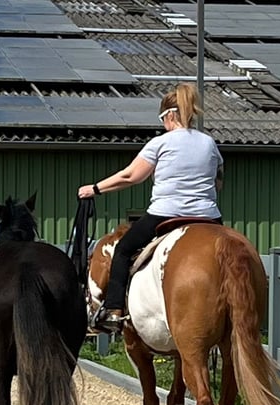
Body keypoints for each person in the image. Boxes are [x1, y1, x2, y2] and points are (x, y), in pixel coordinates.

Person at [78, 83, 224, 333]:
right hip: (208, 218)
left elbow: (130, 176)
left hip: (165, 214)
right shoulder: (210, 144)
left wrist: (95, 188)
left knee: (123, 250)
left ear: (169, 116)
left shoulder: (160, 143)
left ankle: (114, 310)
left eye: (163, 120)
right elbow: (218, 181)